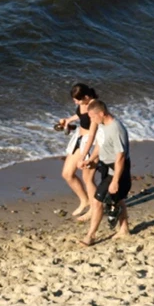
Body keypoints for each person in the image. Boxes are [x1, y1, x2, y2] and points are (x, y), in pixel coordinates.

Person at [78, 100, 130, 246]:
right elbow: (100, 145)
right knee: (117, 199)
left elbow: (120, 157)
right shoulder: (104, 125)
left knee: (97, 201)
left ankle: (90, 236)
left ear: (101, 113)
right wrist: (90, 159)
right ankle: (124, 228)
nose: (92, 121)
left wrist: (115, 181)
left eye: (93, 117)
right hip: (107, 167)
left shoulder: (115, 129)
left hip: (117, 169)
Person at [56, 83, 99, 217]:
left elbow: (92, 133)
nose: (75, 102)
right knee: (67, 174)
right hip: (79, 138)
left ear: (86, 96)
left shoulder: (96, 107)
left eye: (77, 100)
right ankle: (84, 201)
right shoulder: (82, 103)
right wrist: (68, 120)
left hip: (92, 143)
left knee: (88, 179)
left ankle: (94, 208)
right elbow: (81, 116)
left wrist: (84, 155)